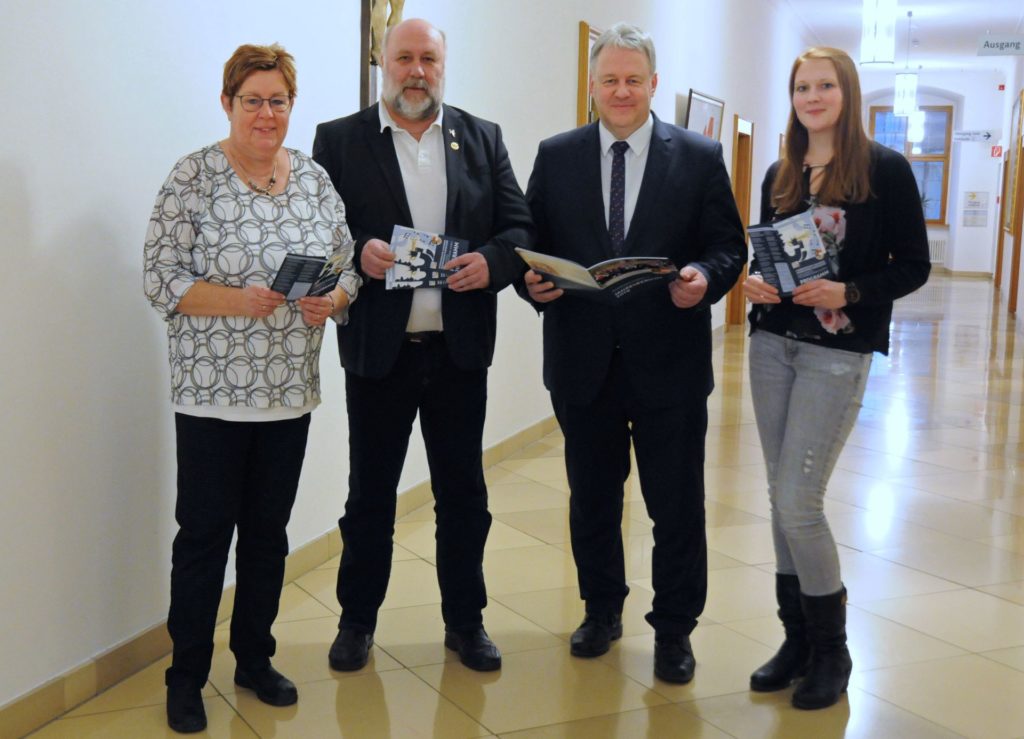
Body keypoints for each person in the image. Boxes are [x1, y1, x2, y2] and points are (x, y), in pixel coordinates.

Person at [143, 44, 360, 733]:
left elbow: (348, 266)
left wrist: (338, 300)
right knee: (204, 537)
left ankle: (254, 657)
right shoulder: (194, 176)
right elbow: (160, 280)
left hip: (288, 394)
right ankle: (186, 675)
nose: (266, 114)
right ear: (228, 103)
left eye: (278, 101)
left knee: (268, 535)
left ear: (292, 107)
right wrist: (239, 301)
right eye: (253, 100)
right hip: (211, 396)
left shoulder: (316, 181)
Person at [523, 23, 746, 684]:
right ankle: (601, 610)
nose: (621, 90)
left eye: (633, 79)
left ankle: (675, 628)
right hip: (581, 362)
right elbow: (528, 242)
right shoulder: (556, 154)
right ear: (592, 87)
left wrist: (706, 279)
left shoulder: (700, 156)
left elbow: (728, 246)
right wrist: (532, 283)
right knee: (592, 498)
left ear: (653, 84)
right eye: (609, 79)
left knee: (674, 504)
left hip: (669, 362)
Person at [311, 18, 531, 673]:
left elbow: (518, 227)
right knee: (369, 497)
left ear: (443, 65)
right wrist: (355, 250)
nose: (416, 70)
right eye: (404, 57)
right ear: (384, 62)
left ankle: (466, 622)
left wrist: (493, 263)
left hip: (459, 350)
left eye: (428, 59)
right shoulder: (341, 140)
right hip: (380, 351)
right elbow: (314, 234)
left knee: (464, 495)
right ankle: (356, 621)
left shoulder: (481, 138)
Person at [743, 47, 930, 710]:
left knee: (800, 500)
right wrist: (756, 283)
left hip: (835, 354)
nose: (812, 96)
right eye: (802, 86)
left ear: (846, 93)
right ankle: (796, 642)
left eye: (825, 85)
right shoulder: (781, 172)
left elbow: (912, 266)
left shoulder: (885, 171)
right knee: (778, 497)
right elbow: (769, 251)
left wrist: (849, 289)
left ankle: (833, 652)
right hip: (771, 346)